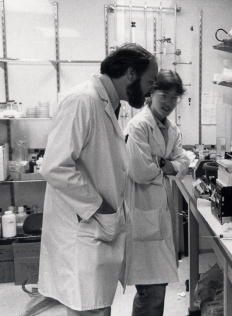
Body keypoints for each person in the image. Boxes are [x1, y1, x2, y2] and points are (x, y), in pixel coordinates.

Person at [38, 43, 158, 316]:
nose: (152, 89)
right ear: (130, 73)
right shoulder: (83, 101)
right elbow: (55, 166)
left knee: (97, 309)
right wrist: (100, 207)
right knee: (90, 310)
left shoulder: (107, 103)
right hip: (85, 231)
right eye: (150, 81)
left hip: (97, 231)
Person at [124, 69, 190, 316]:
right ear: (150, 93)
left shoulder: (170, 128)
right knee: (150, 291)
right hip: (142, 214)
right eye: (164, 95)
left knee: (158, 286)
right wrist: (168, 165)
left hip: (159, 214)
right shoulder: (138, 126)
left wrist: (161, 163)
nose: (170, 103)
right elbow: (140, 171)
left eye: (175, 98)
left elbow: (183, 161)